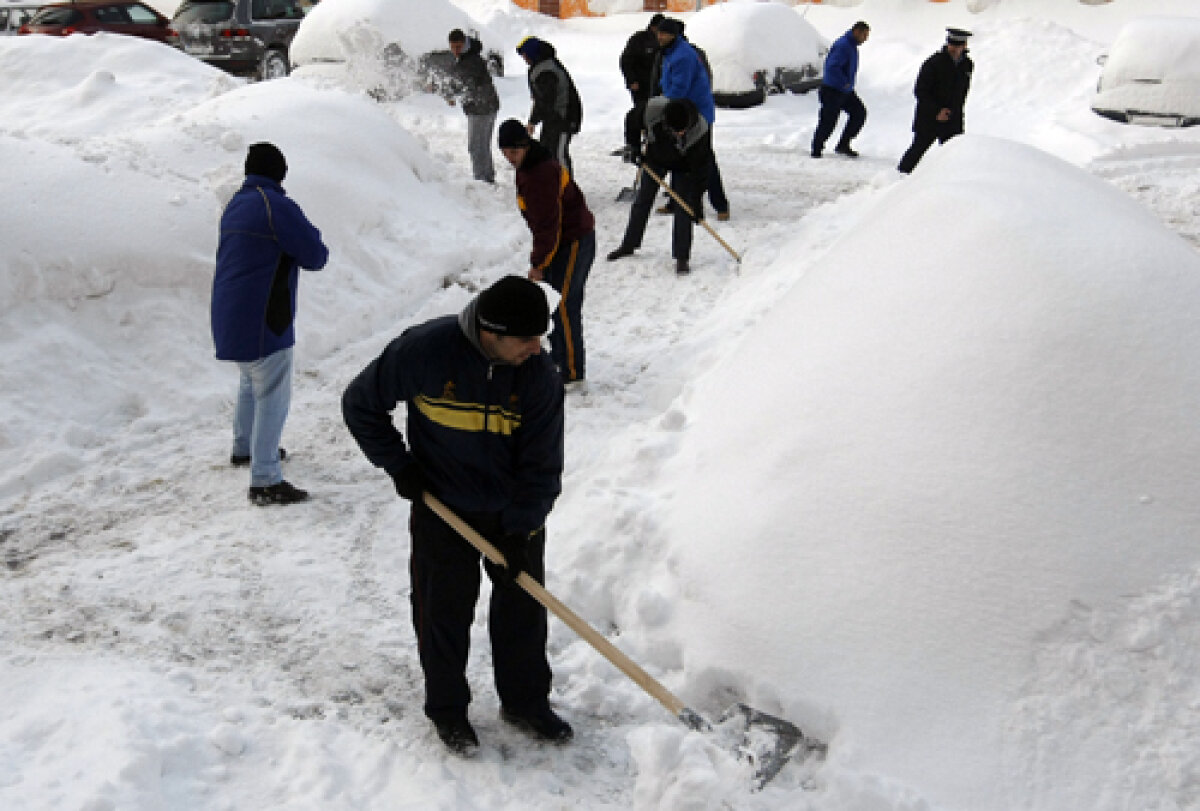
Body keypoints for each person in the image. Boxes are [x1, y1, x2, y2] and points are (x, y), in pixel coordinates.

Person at [341, 275, 570, 756]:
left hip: (512, 511)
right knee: (441, 610)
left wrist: (521, 529)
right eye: (527, 338)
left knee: (523, 611)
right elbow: (361, 404)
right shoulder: (425, 351)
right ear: (491, 333)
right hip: (442, 508)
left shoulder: (538, 374)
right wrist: (400, 466)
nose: (538, 346)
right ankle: (447, 710)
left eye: (540, 335)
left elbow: (543, 465)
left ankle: (525, 702)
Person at [211, 142, 328, 506]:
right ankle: (264, 479)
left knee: (250, 380)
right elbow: (315, 255)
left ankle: (244, 447)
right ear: (281, 173)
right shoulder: (275, 204)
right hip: (264, 317)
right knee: (272, 392)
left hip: (228, 313)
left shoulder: (236, 203)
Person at [497, 119, 595, 389]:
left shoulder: (540, 173)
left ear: (526, 146)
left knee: (564, 304)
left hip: (574, 240)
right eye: (505, 152)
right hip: (559, 242)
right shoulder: (529, 165)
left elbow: (548, 224)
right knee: (552, 302)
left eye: (514, 151)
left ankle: (572, 371)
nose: (510, 157)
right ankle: (559, 358)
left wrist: (538, 264)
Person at [606, 97, 713, 276]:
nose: (678, 134)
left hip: (684, 166)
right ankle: (629, 245)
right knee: (642, 201)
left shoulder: (700, 130)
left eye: (681, 131)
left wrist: (696, 201)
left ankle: (682, 257)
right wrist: (634, 147)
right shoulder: (653, 109)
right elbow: (631, 120)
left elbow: (701, 170)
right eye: (674, 130)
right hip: (655, 159)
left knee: (683, 207)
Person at [651, 18, 729, 222]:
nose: (660, 37)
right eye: (659, 33)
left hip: (697, 115)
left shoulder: (683, 56)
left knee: (704, 159)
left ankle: (720, 204)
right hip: (682, 113)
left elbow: (679, 90)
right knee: (678, 156)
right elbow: (665, 82)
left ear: (673, 35)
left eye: (664, 34)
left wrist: (661, 105)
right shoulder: (670, 52)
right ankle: (676, 202)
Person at [897, 28, 974, 174]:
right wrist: (936, 111)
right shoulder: (934, 63)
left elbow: (962, 93)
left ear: (964, 46)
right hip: (929, 117)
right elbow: (920, 91)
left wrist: (956, 113)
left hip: (953, 118)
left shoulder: (967, 65)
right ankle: (899, 177)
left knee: (953, 154)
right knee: (917, 150)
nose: (954, 48)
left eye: (958, 45)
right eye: (951, 44)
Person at [515, 36, 582, 177]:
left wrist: (533, 121)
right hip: (553, 117)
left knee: (559, 153)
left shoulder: (546, 70)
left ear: (532, 53)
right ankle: (552, 183)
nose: (524, 59)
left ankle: (567, 186)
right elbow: (540, 100)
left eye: (525, 55)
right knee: (548, 150)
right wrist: (533, 120)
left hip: (565, 117)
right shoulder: (541, 66)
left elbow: (545, 100)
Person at [444, 28, 500, 184]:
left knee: (476, 146)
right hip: (485, 105)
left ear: (465, 43)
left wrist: (452, 93)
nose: (456, 50)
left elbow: (467, 83)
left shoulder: (471, 60)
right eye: (453, 47)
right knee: (482, 145)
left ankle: (482, 180)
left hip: (481, 107)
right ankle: (487, 177)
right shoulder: (466, 57)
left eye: (458, 47)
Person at [811, 21, 870, 159]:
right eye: (864, 35)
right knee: (828, 121)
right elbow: (832, 67)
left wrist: (847, 85)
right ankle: (817, 149)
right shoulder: (843, 45)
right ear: (856, 31)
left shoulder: (851, 46)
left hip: (845, 91)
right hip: (832, 90)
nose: (865, 39)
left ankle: (843, 144)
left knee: (859, 113)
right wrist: (844, 82)